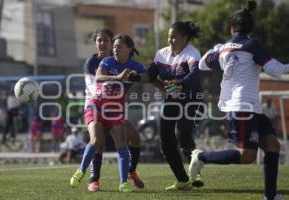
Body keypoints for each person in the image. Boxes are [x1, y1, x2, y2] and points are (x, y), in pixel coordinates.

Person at [191, 1, 289, 199]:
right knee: (247, 156)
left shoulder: (223, 48)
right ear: (251, 28)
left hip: (249, 106)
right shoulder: (252, 45)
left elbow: (202, 64)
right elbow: (277, 70)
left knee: (273, 145)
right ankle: (201, 156)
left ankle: (270, 196)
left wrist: (216, 49)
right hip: (242, 105)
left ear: (231, 28)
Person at [70, 34, 147, 192]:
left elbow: (149, 77)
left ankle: (125, 181)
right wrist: (118, 77)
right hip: (96, 105)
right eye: (115, 47)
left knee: (126, 142)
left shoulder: (135, 66)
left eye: (119, 47)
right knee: (97, 140)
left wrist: (138, 77)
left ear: (129, 49)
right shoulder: (106, 61)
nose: (115, 49)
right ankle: (82, 172)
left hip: (115, 110)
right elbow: (98, 77)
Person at [145, 21, 205, 190]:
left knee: (183, 133)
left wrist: (176, 86)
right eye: (169, 37)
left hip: (192, 100)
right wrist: (134, 76)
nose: (170, 40)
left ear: (185, 38)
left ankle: (196, 170)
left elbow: (194, 76)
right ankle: (183, 180)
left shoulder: (193, 53)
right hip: (172, 100)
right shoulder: (161, 54)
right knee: (165, 140)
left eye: (174, 37)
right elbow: (150, 75)